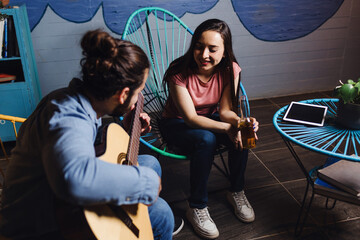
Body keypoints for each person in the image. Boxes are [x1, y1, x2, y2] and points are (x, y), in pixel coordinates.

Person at [0, 29, 175, 240]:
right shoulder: (67, 116)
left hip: (56, 199)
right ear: (123, 95)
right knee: (162, 212)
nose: (140, 97)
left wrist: (130, 130)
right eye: (138, 92)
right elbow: (74, 177)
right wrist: (146, 182)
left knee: (149, 162)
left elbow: (93, 150)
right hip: (41, 221)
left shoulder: (81, 101)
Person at [160, 19, 259, 239]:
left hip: (211, 118)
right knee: (206, 139)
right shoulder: (178, 71)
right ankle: (196, 205)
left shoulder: (230, 69)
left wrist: (241, 123)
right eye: (199, 46)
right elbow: (190, 118)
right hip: (176, 123)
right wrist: (227, 128)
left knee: (242, 130)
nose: (204, 54)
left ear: (224, 52)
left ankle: (236, 191)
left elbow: (225, 111)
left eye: (212, 49)